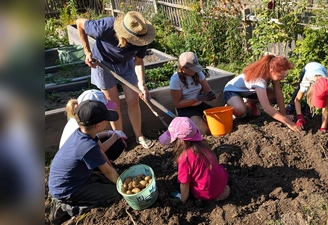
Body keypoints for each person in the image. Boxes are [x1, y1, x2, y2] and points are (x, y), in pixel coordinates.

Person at [76, 11, 155, 148]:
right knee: (113, 103)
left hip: (126, 64)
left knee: (133, 100)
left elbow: (138, 61)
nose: (136, 43)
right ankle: (119, 136)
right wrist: (87, 52)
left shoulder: (143, 35)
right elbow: (79, 23)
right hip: (102, 63)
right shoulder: (104, 27)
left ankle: (139, 135)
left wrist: (142, 85)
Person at [48, 100, 121, 224]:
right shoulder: (87, 146)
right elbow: (108, 172)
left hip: (69, 180)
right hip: (67, 190)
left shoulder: (81, 134)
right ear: (98, 125)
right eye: (106, 119)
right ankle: (69, 208)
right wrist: (123, 186)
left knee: (107, 182)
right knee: (114, 194)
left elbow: (103, 158)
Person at [159, 117, 230, 203]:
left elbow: (184, 183)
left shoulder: (184, 158)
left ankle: (207, 198)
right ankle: (220, 192)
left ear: (181, 142)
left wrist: (183, 200)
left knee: (180, 185)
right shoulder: (204, 144)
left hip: (205, 192)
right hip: (222, 181)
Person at [223, 54, 300, 132]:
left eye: (284, 76)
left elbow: (278, 94)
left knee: (273, 95)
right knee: (240, 111)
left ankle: (251, 102)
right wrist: (288, 122)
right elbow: (266, 108)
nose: (282, 78)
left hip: (249, 92)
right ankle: (229, 107)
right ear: (272, 71)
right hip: (232, 91)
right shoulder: (259, 80)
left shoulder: (272, 73)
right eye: (280, 76)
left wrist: (284, 115)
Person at [59, 89, 127, 162]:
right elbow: (102, 149)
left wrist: (110, 133)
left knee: (111, 140)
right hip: (77, 162)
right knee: (117, 145)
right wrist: (116, 136)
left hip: (67, 157)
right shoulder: (83, 129)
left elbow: (96, 137)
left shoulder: (80, 119)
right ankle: (97, 171)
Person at [169, 51, 216, 135]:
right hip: (185, 108)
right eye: (192, 68)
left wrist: (210, 94)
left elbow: (207, 90)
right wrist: (196, 99)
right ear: (183, 68)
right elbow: (178, 104)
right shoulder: (175, 79)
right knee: (202, 130)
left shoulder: (198, 73)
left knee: (217, 120)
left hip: (200, 104)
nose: (195, 70)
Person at [285, 62, 328, 131]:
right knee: (299, 90)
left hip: (322, 70)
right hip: (308, 68)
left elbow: (326, 108)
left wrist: (323, 127)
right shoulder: (306, 83)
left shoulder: (327, 88)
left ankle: (309, 108)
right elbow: (297, 100)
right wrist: (300, 116)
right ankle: (291, 105)